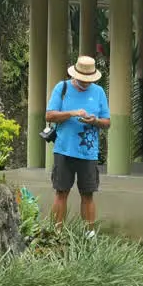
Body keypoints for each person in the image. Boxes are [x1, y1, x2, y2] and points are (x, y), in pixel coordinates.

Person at [45, 55, 110, 226]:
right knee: (61, 192)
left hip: (88, 153)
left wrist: (95, 120)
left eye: (89, 80)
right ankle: (56, 234)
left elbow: (107, 122)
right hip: (64, 149)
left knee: (88, 194)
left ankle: (89, 235)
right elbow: (50, 115)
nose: (86, 82)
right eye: (83, 79)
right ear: (75, 75)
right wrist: (72, 113)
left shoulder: (99, 92)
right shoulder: (62, 88)